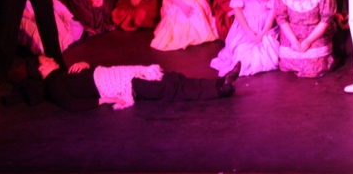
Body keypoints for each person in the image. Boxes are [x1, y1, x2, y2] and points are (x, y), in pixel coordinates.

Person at [32, 56, 241, 112]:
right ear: (41, 70)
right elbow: (71, 104)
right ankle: (219, 92)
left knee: (173, 77)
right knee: (170, 89)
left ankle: (220, 80)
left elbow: (91, 75)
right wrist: (105, 100)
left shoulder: (64, 74)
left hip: (121, 73)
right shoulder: (54, 86)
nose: (51, 59)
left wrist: (87, 64)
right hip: (124, 85)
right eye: (46, 60)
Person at [275, 0, 337, 78]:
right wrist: (293, 40)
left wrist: (309, 41)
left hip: (314, 34)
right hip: (292, 34)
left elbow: (325, 20)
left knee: (314, 66)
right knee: (288, 62)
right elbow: (281, 18)